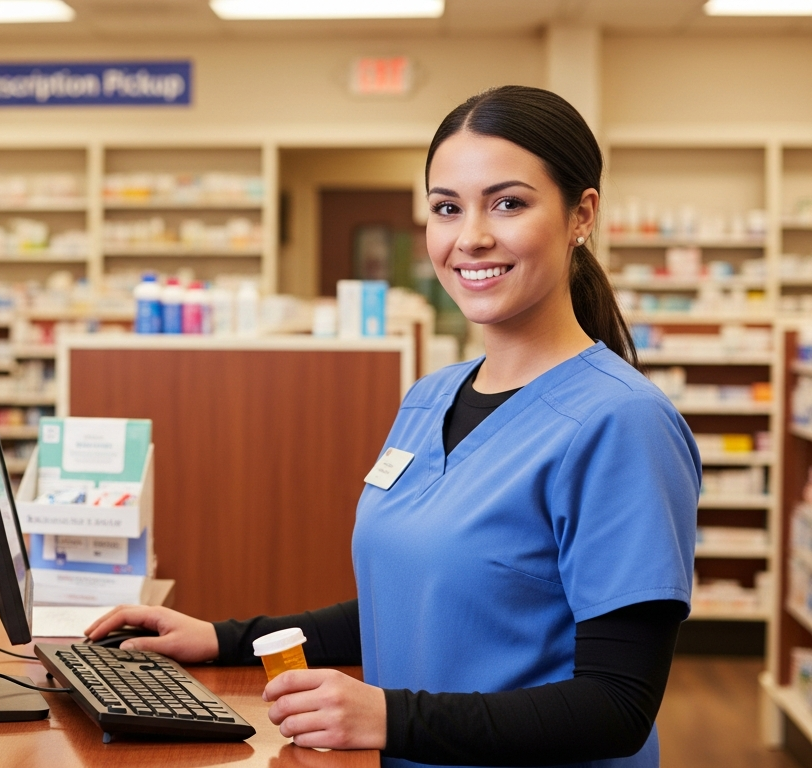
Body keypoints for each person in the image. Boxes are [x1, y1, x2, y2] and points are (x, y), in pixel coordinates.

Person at [85, 85, 699, 768]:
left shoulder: (622, 423)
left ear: (581, 214)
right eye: (446, 208)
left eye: (509, 203)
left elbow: (616, 707)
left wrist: (388, 715)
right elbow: (414, 598)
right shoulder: (430, 398)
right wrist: (223, 638)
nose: (471, 237)